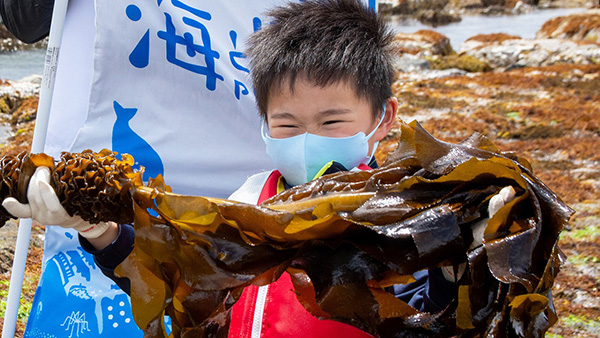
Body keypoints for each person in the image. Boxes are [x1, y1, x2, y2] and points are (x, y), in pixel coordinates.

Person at [2, 0, 513, 336]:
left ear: (383, 117)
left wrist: (483, 249)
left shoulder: (415, 217)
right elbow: (180, 279)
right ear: (264, 124)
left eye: (333, 120)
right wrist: (102, 233)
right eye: (287, 125)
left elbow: (457, 312)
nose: (309, 141)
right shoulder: (246, 207)